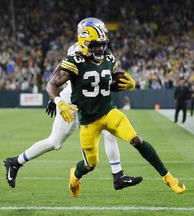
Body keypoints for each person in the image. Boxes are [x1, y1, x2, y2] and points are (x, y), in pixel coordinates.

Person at [46, 25, 186, 197]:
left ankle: (168, 177)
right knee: (90, 164)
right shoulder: (75, 61)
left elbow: (106, 84)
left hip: (109, 112)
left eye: (102, 44)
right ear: (84, 44)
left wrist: (127, 84)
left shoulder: (108, 58)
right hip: (89, 120)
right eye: (96, 45)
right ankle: (75, 175)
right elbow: (51, 84)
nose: (100, 48)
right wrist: (59, 102)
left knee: (136, 140)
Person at [4, 17, 143, 190]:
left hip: (89, 100)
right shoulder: (78, 50)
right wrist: (56, 99)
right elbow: (57, 75)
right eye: (100, 31)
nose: (103, 36)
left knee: (108, 132)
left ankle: (118, 175)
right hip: (73, 100)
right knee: (55, 142)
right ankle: (15, 162)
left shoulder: (100, 51)